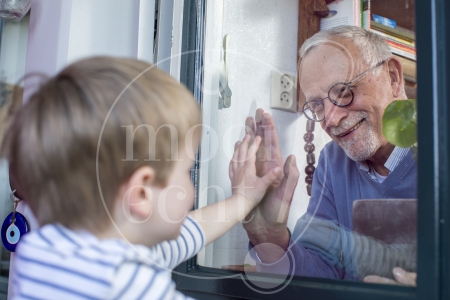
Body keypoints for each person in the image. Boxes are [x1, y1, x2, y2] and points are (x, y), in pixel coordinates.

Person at [0, 56, 281, 299]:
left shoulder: (44, 251)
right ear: (142, 192)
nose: (191, 186)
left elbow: (180, 237)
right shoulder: (127, 284)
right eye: (186, 171)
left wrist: (243, 200)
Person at [242, 26, 417, 285]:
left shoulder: (439, 150)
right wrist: (270, 238)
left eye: (345, 91)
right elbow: (323, 274)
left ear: (392, 77)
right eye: (317, 105)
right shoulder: (333, 160)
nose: (332, 119)